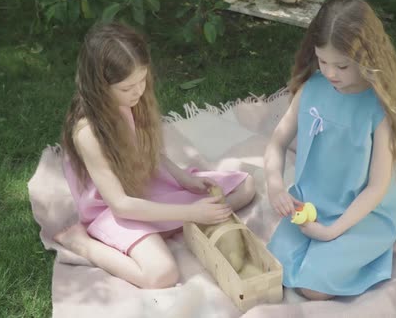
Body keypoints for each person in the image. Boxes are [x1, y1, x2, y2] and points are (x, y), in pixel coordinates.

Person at [53, 22, 255, 289]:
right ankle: (83, 243)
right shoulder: (88, 132)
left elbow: (147, 149)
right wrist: (190, 212)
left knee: (245, 186)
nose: (138, 91)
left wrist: (183, 179)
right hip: (115, 206)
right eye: (127, 87)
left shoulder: (132, 100)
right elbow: (120, 205)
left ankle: (167, 223)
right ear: (99, 86)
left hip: (145, 182)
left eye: (142, 80)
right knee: (161, 275)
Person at [264, 0, 396, 300]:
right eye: (323, 61)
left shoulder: (378, 111)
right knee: (273, 266)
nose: (331, 73)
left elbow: (376, 188)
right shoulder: (312, 89)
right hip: (312, 204)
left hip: (362, 215)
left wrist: (333, 232)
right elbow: (277, 141)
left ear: (368, 59)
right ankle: (330, 252)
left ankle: (371, 253)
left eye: (342, 65)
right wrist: (276, 186)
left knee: (312, 288)